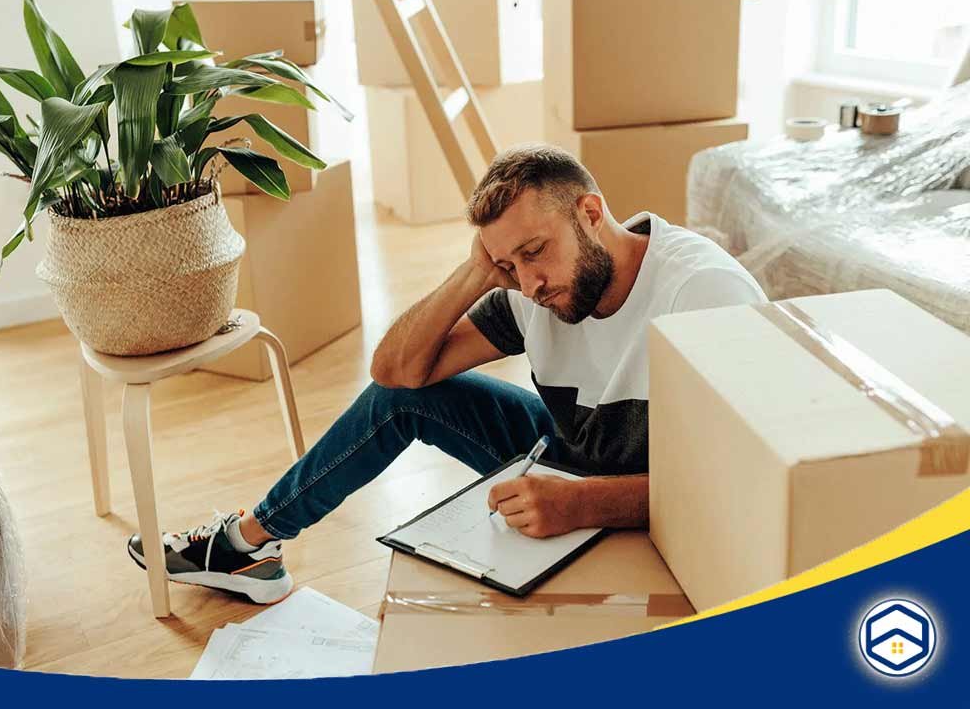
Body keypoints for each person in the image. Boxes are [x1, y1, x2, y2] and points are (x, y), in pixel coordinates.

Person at [127, 143, 767, 604]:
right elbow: (396, 372)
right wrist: (475, 273)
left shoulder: (702, 294)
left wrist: (585, 503)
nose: (530, 282)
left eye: (536, 251)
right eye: (509, 263)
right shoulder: (527, 285)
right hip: (572, 452)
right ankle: (249, 545)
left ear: (591, 213)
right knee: (399, 401)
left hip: (646, 486)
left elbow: (741, 483)